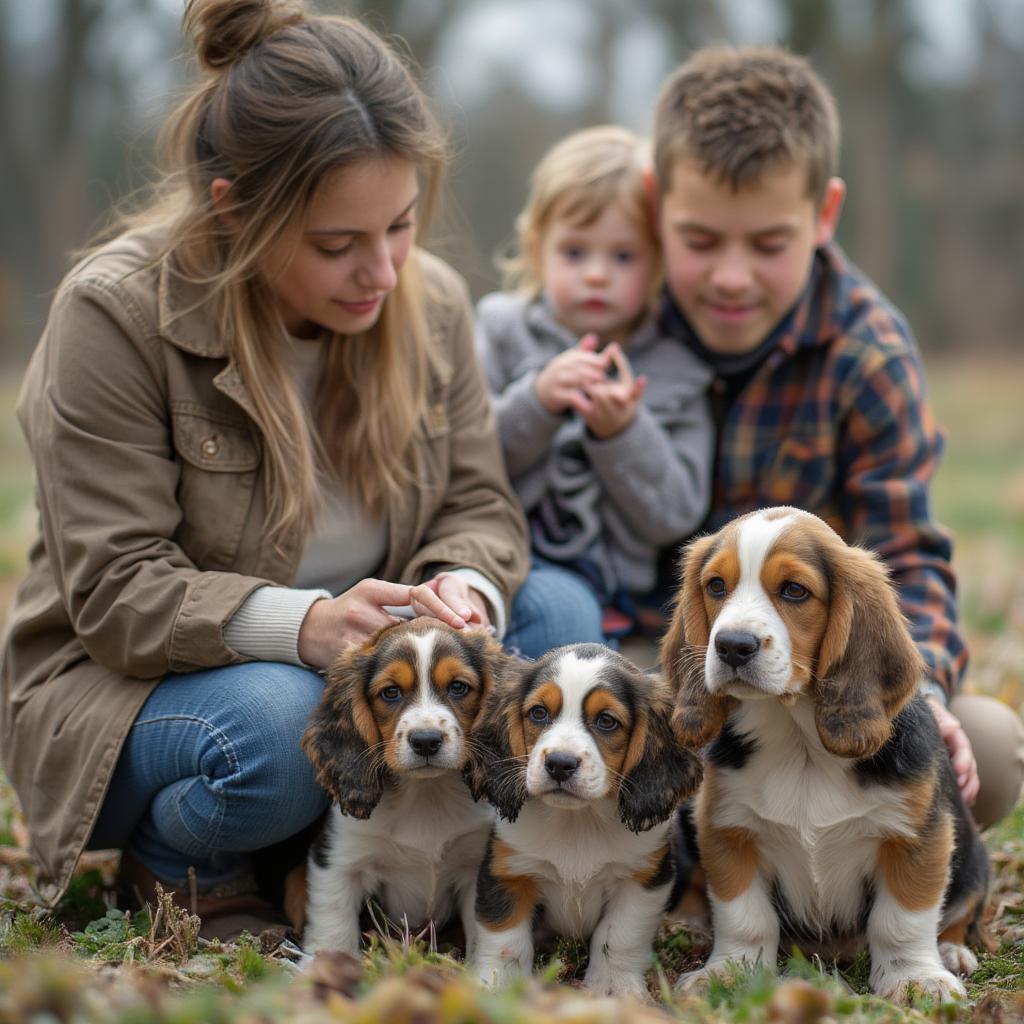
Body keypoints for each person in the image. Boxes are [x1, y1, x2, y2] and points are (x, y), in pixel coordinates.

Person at [0, 0, 590, 937]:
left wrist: (462, 591)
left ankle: (464, 864)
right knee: (277, 730)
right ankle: (187, 860)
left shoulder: (428, 305)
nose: (385, 272)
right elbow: (114, 591)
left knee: (560, 620)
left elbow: (479, 499)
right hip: (146, 689)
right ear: (235, 209)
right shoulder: (114, 315)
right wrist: (308, 625)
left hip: (381, 668)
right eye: (336, 244)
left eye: (400, 225)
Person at [651, 45, 1024, 827]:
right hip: (663, 664)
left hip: (814, 683)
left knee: (986, 750)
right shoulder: (612, 321)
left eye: (768, 244)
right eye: (700, 239)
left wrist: (923, 696)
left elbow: (910, 551)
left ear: (824, 215)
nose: (730, 276)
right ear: (656, 206)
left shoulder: (869, 354)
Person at [476, 125, 713, 644]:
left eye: (623, 257)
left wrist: (623, 433)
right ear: (537, 250)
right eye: (575, 253)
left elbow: (675, 515)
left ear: (658, 264)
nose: (598, 275)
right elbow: (462, 459)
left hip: (608, 593)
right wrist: (537, 402)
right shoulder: (501, 331)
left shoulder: (676, 369)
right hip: (492, 559)